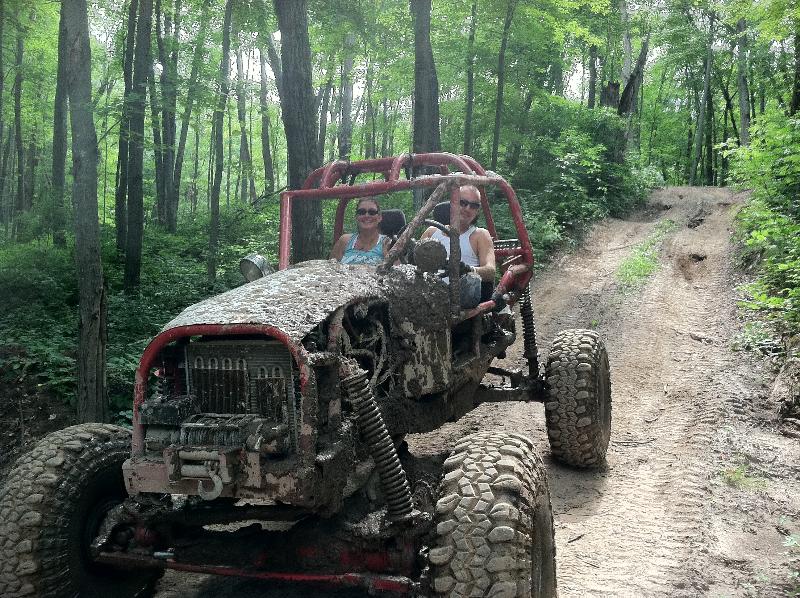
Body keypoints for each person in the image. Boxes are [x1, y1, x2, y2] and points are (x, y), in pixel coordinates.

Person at [420, 185, 496, 308]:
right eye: (463, 203)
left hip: (461, 300)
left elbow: (491, 271)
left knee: (471, 282)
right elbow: (414, 263)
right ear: (453, 203)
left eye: (474, 205)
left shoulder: (479, 235)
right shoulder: (431, 232)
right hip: (426, 295)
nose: (467, 208)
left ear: (477, 211)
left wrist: (467, 269)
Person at [330, 198, 391, 265]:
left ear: (379, 217)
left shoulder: (387, 244)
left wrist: (387, 257)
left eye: (372, 212)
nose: (366, 215)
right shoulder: (344, 241)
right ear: (356, 217)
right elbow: (330, 267)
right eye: (362, 212)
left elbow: (396, 270)